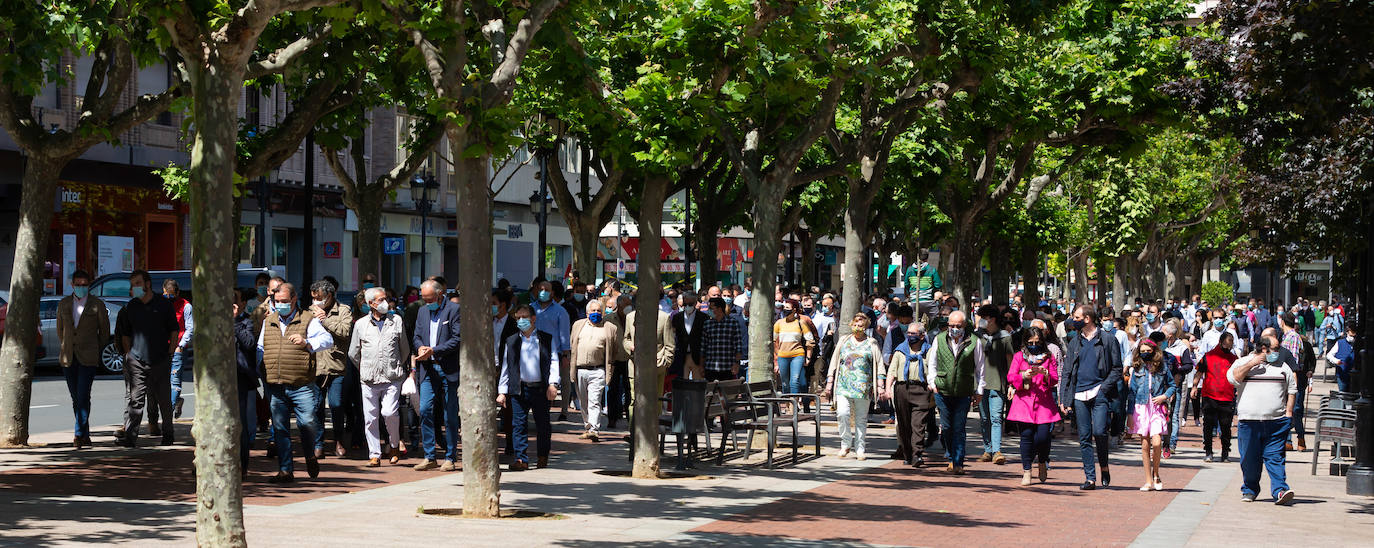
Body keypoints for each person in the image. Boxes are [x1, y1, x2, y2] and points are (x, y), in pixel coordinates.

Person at [257, 282, 334, 482]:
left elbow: (327, 340)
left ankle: (309, 453)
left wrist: (307, 343)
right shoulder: (269, 321)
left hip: (302, 384)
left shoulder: (308, 320)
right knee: (281, 428)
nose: (280, 304)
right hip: (276, 384)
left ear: (294, 299)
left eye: (284, 301)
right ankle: (285, 470)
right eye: (276, 301)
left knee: (307, 422)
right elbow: (260, 347)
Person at [1059, 304, 1123, 490]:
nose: (1073, 321)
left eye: (1077, 317)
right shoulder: (1074, 342)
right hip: (1079, 394)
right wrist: (1064, 397)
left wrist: (1103, 388)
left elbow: (1117, 368)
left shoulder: (1108, 340)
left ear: (1087, 319)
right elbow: (1067, 372)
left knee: (1100, 432)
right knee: (1084, 437)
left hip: (1099, 392)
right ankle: (1090, 477)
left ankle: (1104, 465)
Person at [114, 270, 179, 448]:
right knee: (136, 400)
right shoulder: (131, 307)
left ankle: (168, 433)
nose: (133, 287)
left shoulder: (163, 304)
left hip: (160, 359)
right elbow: (125, 334)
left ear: (147, 284)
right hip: (136, 361)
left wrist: (171, 352)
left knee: (164, 400)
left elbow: (174, 329)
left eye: (137, 283)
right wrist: (129, 355)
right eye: (132, 284)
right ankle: (130, 436)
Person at [1229, 336, 1298, 505]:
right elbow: (1233, 379)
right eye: (1275, 349)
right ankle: (1250, 489)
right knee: (1249, 459)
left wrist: (1289, 413)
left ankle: (1280, 490)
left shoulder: (1283, 367)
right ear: (1263, 349)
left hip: (1277, 422)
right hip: (1249, 422)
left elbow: (1292, 390)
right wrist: (1252, 364)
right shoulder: (1243, 362)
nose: (1278, 352)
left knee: (1275, 457)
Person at [350, 287, 411, 467]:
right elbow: (354, 352)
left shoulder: (396, 320)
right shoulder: (361, 324)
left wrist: (396, 364)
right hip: (369, 378)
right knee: (370, 417)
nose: (385, 302)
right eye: (381, 299)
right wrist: (365, 368)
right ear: (371, 304)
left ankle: (393, 445)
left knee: (389, 412)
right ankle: (374, 454)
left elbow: (404, 348)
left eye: (386, 298)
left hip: (392, 376)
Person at [925, 310, 986, 475]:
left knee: (959, 427)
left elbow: (980, 368)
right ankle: (950, 456)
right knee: (946, 427)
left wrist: (979, 390)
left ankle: (957, 462)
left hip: (963, 391)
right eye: (951, 325)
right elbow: (933, 362)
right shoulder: (939, 339)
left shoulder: (974, 341)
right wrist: (932, 383)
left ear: (965, 325)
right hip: (942, 390)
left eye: (958, 326)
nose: (954, 329)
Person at [499, 305, 559, 471]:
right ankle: (521, 458)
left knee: (543, 424)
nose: (521, 321)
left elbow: (554, 361)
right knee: (518, 424)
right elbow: (506, 366)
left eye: (524, 317)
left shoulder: (545, 339)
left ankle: (542, 456)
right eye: (518, 318)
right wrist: (502, 391)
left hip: (540, 388)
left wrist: (553, 384)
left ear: (533, 319)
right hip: (519, 389)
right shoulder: (511, 341)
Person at [56, 269, 110, 448]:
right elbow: (60, 331)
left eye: (84, 284)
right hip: (68, 357)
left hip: (88, 356)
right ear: (72, 285)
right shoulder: (63, 304)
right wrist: (67, 344)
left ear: (89, 285)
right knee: (76, 398)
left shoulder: (97, 304)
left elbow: (104, 332)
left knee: (82, 395)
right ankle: (85, 435)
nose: (81, 287)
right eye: (77, 284)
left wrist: (95, 348)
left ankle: (78, 434)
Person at [412, 279, 462, 472]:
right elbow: (416, 335)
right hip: (427, 368)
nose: (427, 302)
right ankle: (429, 456)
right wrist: (420, 348)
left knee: (450, 414)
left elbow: (457, 339)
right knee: (424, 410)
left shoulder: (454, 310)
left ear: (440, 294)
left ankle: (450, 456)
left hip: (448, 368)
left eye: (430, 298)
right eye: (424, 299)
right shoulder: (422, 311)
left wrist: (435, 350)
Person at [304, 280, 354, 459]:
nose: (316, 301)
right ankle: (318, 443)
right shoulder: (308, 312)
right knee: (316, 406)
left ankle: (338, 440)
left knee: (336, 404)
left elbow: (345, 332)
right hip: (316, 367)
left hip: (336, 367)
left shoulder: (344, 310)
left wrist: (325, 320)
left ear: (329, 296)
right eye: (313, 298)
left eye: (319, 298)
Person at [1006, 326, 1060, 486]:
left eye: (1037, 342)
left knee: (1043, 437)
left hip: (1043, 403)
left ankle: (1042, 461)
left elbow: (1055, 379)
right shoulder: (1018, 357)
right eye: (1031, 342)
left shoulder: (1049, 358)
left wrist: (1045, 374)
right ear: (1025, 342)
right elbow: (1011, 376)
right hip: (1024, 402)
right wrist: (1023, 375)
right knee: (1026, 437)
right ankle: (1027, 470)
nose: (1034, 345)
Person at [826, 313, 882, 460]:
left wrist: (880, 384)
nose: (857, 328)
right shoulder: (844, 340)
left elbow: (879, 363)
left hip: (863, 388)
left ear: (866, 327)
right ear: (851, 325)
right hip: (843, 385)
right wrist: (830, 380)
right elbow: (834, 360)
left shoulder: (872, 343)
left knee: (861, 419)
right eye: (855, 325)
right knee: (842, 414)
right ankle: (845, 443)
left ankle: (860, 448)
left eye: (861, 326)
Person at [883, 322, 934, 467]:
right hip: (902, 389)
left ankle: (917, 454)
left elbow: (932, 369)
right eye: (909, 333)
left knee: (918, 424)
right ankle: (907, 453)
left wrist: (931, 385)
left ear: (922, 336)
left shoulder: (928, 351)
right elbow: (892, 372)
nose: (910, 336)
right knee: (904, 424)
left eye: (914, 334)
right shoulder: (900, 351)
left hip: (921, 390)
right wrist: (888, 390)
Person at [1128, 339, 1174, 491]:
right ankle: (1148, 479)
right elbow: (1132, 392)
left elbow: (1172, 385)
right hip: (1141, 407)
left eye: (1148, 351)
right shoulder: (1137, 368)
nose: (1145, 354)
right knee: (1145, 445)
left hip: (1156, 407)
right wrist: (1129, 414)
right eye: (1142, 351)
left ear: (1154, 351)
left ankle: (1156, 473)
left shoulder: (1162, 367)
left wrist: (1164, 396)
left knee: (1156, 442)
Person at [570, 299, 619, 442]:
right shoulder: (578, 325)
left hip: (598, 370)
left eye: (599, 311)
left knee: (595, 400)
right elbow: (573, 344)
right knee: (583, 402)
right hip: (580, 370)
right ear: (587, 313)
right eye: (593, 311)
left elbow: (614, 350)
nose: (596, 313)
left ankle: (594, 429)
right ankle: (588, 426)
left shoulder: (609, 328)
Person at [1192, 331, 1239, 462]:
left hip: (1227, 397)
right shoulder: (1208, 356)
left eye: (1230, 346)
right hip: (1209, 395)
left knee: (1225, 427)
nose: (1228, 348)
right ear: (1221, 342)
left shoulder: (1234, 359)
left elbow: (1238, 375)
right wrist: (1194, 387)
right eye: (1226, 345)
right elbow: (1199, 373)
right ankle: (1208, 451)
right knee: (1208, 425)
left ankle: (1225, 452)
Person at [975, 305, 1013, 465]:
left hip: (998, 383)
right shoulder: (976, 336)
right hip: (981, 384)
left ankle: (997, 450)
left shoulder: (1005, 337)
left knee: (996, 418)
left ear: (992, 319)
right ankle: (987, 449)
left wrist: (1011, 383)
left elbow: (1010, 360)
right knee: (984, 418)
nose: (981, 320)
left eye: (984, 317)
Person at [532, 280, 573, 419]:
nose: (543, 292)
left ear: (552, 293)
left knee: (563, 381)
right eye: (540, 289)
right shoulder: (531, 309)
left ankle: (564, 410)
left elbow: (564, 333)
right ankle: (544, 409)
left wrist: (565, 355)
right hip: (535, 352)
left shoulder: (560, 312)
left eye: (547, 290)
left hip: (557, 352)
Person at [231, 289, 260, 476]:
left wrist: (234, 321)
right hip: (219, 378)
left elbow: (249, 344)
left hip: (240, 377)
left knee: (239, 421)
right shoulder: (216, 322)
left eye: (235, 300)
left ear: (242, 304)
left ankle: (243, 465)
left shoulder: (246, 322)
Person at [158, 279, 194, 423]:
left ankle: (167, 417)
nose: (169, 299)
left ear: (178, 293)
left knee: (174, 382)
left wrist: (181, 345)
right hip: (162, 348)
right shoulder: (160, 305)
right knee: (162, 383)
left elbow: (190, 328)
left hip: (178, 348)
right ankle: (176, 401)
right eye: (166, 295)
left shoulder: (186, 306)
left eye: (172, 296)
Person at [773, 299, 815, 395]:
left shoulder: (801, 323)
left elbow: (810, 340)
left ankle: (793, 406)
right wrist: (776, 357)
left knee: (794, 381)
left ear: (794, 309)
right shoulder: (779, 323)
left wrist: (808, 356)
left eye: (788, 308)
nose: (785, 309)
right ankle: (788, 403)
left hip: (797, 355)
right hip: (782, 356)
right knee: (784, 383)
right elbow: (774, 341)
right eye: (784, 307)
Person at [701, 298, 743, 381]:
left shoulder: (733, 323)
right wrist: (701, 366)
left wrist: (737, 363)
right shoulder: (707, 324)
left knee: (728, 393)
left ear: (719, 309)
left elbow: (738, 346)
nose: (709, 310)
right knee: (711, 393)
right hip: (710, 368)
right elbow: (703, 348)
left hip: (728, 368)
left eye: (711, 308)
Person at [669, 292, 708, 380]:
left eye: (690, 304)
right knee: (682, 384)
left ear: (695, 303)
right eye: (685, 304)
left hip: (697, 357)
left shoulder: (703, 318)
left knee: (697, 385)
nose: (687, 306)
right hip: (681, 356)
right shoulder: (677, 317)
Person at [904, 249, 942, 322]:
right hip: (929, 301)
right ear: (927, 258)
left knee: (915, 324)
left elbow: (906, 284)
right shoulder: (932, 270)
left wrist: (911, 293)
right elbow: (938, 285)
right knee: (936, 322)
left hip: (914, 301)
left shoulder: (909, 270)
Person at [1325, 326, 1357, 392]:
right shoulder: (1340, 343)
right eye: (1351, 334)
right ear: (1347, 333)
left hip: (1355, 375)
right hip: (1342, 373)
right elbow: (1329, 355)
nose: (1352, 337)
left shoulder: (1357, 344)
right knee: (1343, 391)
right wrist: (1336, 361)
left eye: (1354, 335)